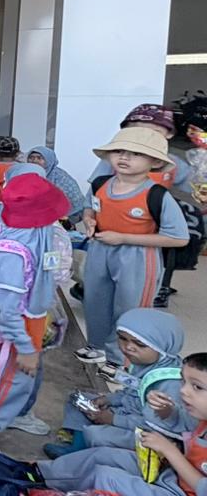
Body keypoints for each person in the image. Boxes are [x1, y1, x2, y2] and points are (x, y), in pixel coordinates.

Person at [0, 173, 69, 452]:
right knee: (10, 378)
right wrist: (25, 346)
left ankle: (15, 413)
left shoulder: (37, 233)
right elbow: (8, 312)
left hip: (32, 322)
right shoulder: (13, 251)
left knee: (21, 378)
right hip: (18, 328)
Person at [78, 127, 189, 365]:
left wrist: (123, 238)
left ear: (155, 162)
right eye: (118, 151)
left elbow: (179, 238)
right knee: (95, 301)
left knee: (130, 306)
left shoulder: (156, 195)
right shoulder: (100, 184)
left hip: (138, 257)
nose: (125, 157)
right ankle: (97, 346)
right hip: (100, 249)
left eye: (136, 153)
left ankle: (121, 359)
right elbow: (90, 207)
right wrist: (89, 220)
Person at [37, 351, 207, 496]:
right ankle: (40, 473)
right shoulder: (200, 419)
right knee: (102, 455)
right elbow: (181, 421)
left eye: (197, 387)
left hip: (179, 491)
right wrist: (166, 410)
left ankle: (48, 484)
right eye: (183, 381)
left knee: (105, 477)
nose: (183, 391)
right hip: (172, 475)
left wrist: (170, 451)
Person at [46, 308, 187, 458]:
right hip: (127, 415)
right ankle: (78, 442)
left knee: (98, 435)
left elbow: (154, 425)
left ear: (163, 347)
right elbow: (130, 392)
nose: (128, 347)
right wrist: (108, 399)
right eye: (122, 338)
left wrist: (113, 419)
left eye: (140, 344)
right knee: (78, 399)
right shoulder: (142, 364)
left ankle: (80, 450)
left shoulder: (170, 383)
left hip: (148, 432)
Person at [90, 104, 193, 191]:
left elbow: (193, 186)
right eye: (136, 132)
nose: (143, 138)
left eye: (154, 133)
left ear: (170, 134)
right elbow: (96, 187)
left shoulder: (173, 163)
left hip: (155, 206)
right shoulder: (116, 158)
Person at [28, 146, 87, 224]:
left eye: (39, 158)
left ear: (49, 160)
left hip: (67, 217)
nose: (34, 161)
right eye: (31, 158)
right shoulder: (28, 174)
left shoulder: (60, 178)